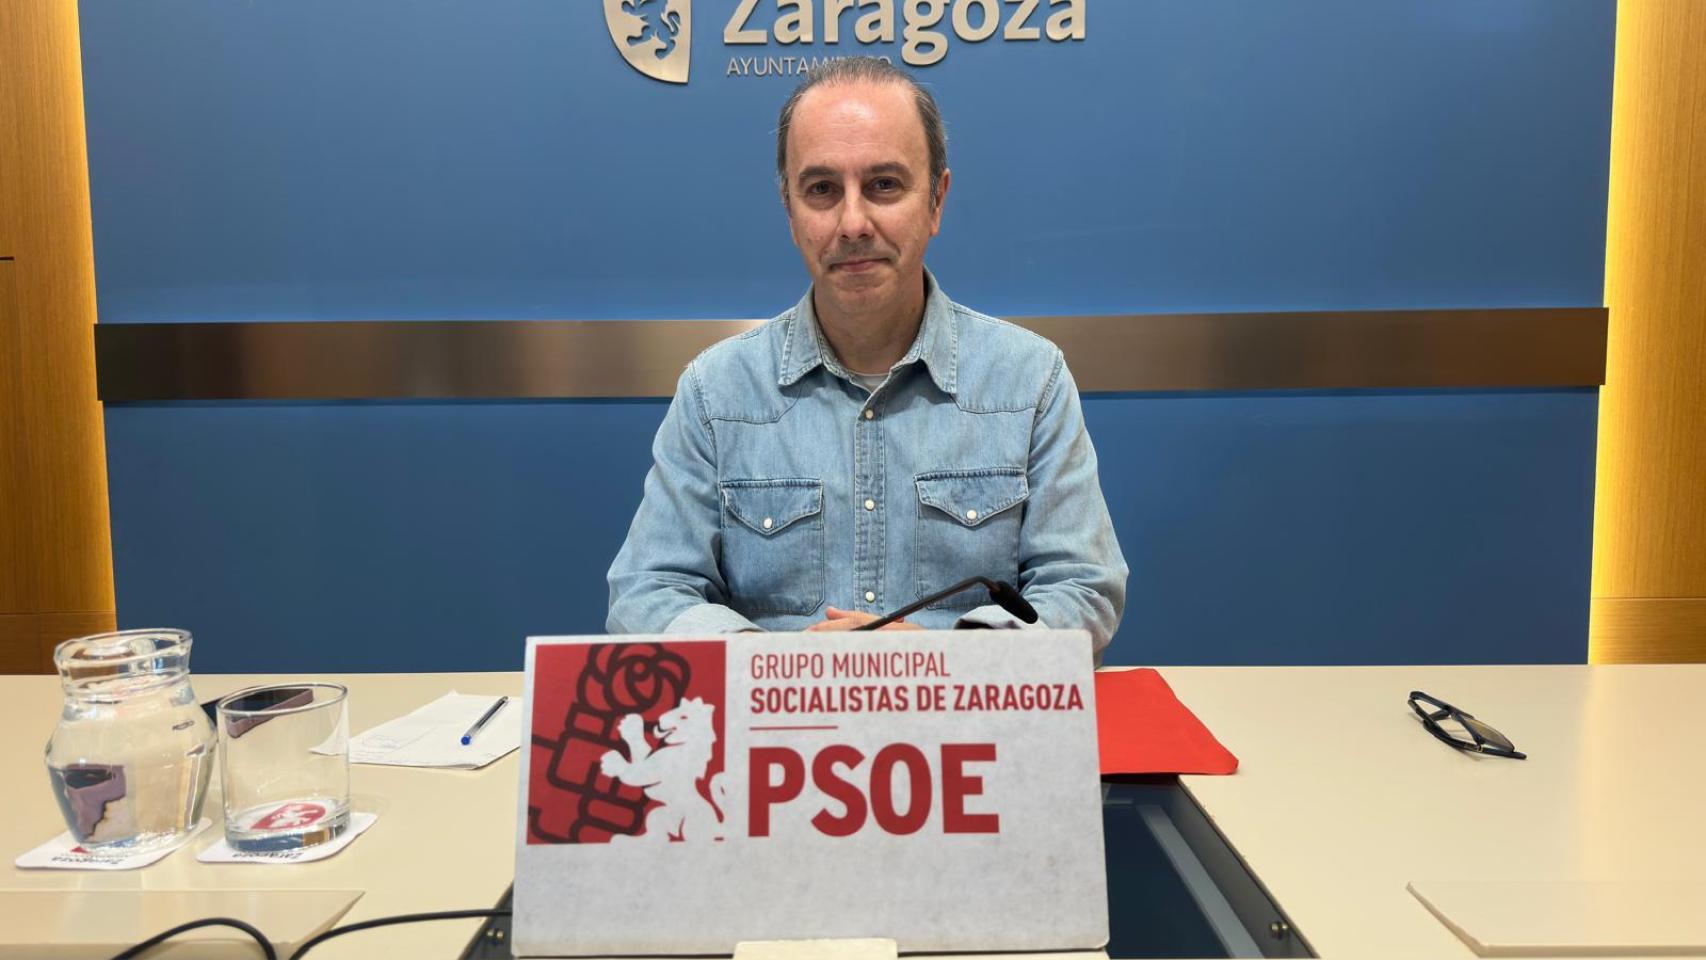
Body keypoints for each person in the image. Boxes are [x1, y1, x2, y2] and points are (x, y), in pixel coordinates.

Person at [607, 57, 1126, 656]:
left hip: (958, 710)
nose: (853, 223)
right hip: (781, 711)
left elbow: (1082, 589)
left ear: (936, 202)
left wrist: (939, 657)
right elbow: (646, 593)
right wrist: (778, 661)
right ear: (790, 211)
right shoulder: (715, 392)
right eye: (822, 189)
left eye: (884, 185)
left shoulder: (1029, 381)